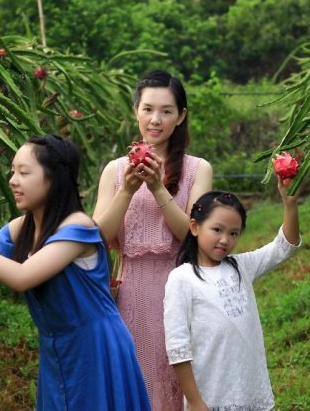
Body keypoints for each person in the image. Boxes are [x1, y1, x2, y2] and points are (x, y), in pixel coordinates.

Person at [0, 135, 151, 411]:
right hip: (58, 350)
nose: (13, 180)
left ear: (54, 178)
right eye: (13, 171)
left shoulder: (78, 228)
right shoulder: (20, 229)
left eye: (24, 172)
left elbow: (22, 276)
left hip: (96, 348)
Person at [92, 69, 213, 410]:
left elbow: (195, 234)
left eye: (166, 111)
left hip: (182, 290)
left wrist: (158, 188)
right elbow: (101, 236)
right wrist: (128, 190)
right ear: (135, 111)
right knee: (138, 384)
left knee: (180, 380)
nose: (155, 120)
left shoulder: (197, 169)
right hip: (131, 295)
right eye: (147, 109)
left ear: (181, 117)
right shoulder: (115, 171)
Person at [163, 173, 301, 411]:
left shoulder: (241, 267)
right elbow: (178, 347)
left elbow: (284, 247)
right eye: (217, 229)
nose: (225, 240)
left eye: (234, 233)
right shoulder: (182, 279)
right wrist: (195, 401)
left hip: (249, 391)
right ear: (194, 227)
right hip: (211, 397)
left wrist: (289, 204)